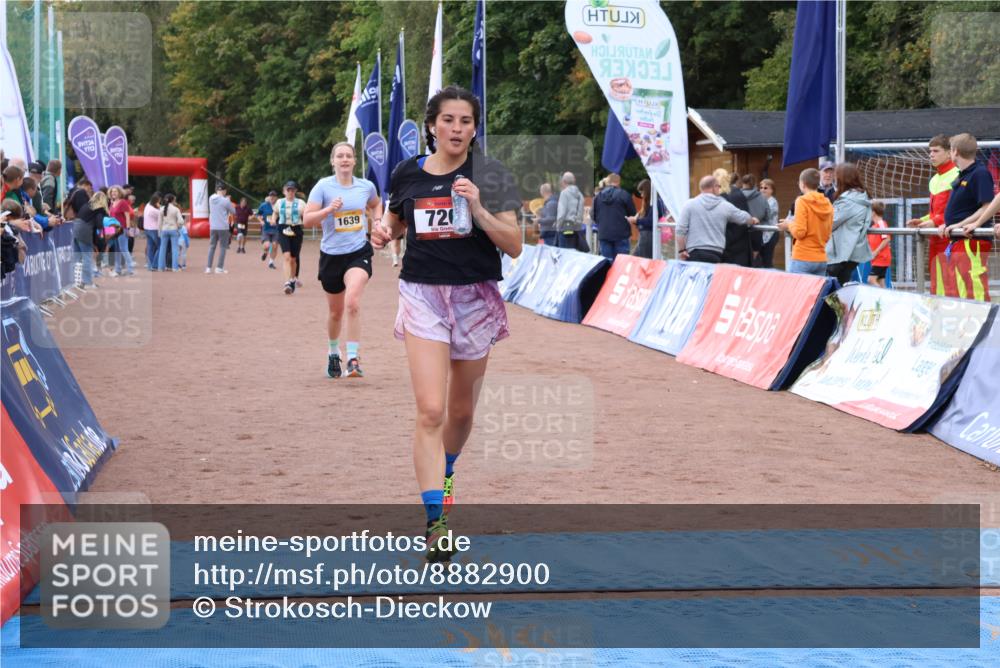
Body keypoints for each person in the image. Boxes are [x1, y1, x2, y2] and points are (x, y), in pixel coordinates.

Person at [369, 86, 522, 561]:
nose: (458, 129)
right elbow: (395, 223)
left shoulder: (490, 175)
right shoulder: (407, 172)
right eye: (449, 120)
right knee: (431, 409)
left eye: (466, 121)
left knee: (460, 413)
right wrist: (383, 232)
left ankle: (447, 467)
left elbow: (515, 244)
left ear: (475, 129)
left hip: (475, 296)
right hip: (423, 294)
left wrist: (477, 210)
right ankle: (436, 522)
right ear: (432, 124)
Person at [303, 142, 382, 378]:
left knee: (353, 302)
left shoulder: (365, 186)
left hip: (358, 252)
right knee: (336, 312)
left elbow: (377, 204)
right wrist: (328, 210)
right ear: (333, 161)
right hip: (331, 256)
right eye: (340, 156)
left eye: (348, 155)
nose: (345, 159)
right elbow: (307, 220)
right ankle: (333, 352)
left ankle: (354, 359)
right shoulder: (323, 187)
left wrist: (377, 222)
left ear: (355, 161)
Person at [939, 133, 995, 301]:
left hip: (972, 240)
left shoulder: (980, 173)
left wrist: (959, 225)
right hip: (959, 239)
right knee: (961, 286)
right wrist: (946, 224)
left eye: (949, 150)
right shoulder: (962, 174)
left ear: (955, 151)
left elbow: (986, 207)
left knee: (974, 285)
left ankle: (983, 324)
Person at [905, 135, 958, 285]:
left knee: (951, 284)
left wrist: (933, 221)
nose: (931, 155)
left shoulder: (957, 175)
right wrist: (922, 220)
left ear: (949, 153)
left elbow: (956, 211)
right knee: (936, 283)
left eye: (936, 151)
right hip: (935, 238)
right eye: (930, 151)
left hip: (951, 237)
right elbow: (937, 212)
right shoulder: (934, 179)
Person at [676, 175, 757, 263]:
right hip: (715, 254)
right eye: (718, 186)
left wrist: (682, 250)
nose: (719, 189)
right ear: (714, 187)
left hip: (694, 253)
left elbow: (680, 230)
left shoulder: (689, 204)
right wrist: (752, 219)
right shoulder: (724, 205)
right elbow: (744, 218)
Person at [777, 168, 833, 276]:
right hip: (821, 258)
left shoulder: (802, 201)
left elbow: (799, 232)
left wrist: (789, 224)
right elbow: (828, 233)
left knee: (795, 292)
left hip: (802, 257)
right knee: (817, 293)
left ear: (803, 184)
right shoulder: (827, 202)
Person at [825, 163, 873, 285]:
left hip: (840, 253)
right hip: (852, 251)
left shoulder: (848, 201)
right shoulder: (862, 197)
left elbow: (831, 222)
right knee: (839, 290)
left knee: (829, 291)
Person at [592, 173, 636, 260]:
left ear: (608, 182)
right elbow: (632, 213)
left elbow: (593, 214)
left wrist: (601, 223)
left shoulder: (598, 196)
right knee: (621, 263)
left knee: (606, 262)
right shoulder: (624, 195)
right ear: (618, 182)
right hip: (621, 234)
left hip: (604, 233)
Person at [714, 168, 753, 267]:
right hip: (737, 246)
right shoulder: (736, 194)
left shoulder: (716, 196)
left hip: (724, 246)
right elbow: (744, 219)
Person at [272, 181, 306, 293]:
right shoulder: (279, 202)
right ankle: (287, 282)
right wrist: (273, 219)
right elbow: (275, 212)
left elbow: (306, 215)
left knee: (293, 258)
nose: (290, 192)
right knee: (286, 256)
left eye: (292, 190)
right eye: (288, 190)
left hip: (296, 230)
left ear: (295, 191)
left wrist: (307, 221)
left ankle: (292, 279)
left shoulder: (301, 203)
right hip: (283, 229)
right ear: (284, 191)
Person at [72, 190, 110, 288]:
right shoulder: (99, 209)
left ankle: (73, 281)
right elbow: (99, 224)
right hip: (84, 231)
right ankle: (87, 282)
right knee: (87, 257)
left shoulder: (87, 205)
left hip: (76, 228)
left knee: (76, 257)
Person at [739, 174, 771, 268]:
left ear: (742, 183)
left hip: (741, 232)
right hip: (757, 231)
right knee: (755, 261)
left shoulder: (737, 196)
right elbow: (767, 215)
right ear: (755, 184)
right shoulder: (762, 198)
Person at [206, 183, 235, 274]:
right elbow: (233, 211)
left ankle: (208, 268)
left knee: (212, 247)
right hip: (223, 227)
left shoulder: (210, 198)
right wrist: (228, 200)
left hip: (213, 226)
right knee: (223, 247)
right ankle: (219, 268)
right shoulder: (225, 201)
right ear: (224, 191)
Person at [108, 185, 136, 276]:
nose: (113, 193)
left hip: (122, 229)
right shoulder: (112, 203)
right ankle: (118, 269)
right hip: (113, 230)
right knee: (117, 250)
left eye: (115, 191)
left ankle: (130, 269)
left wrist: (127, 229)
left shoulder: (123, 202)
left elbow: (127, 216)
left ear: (119, 192)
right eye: (112, 191)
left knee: (124, 249)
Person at [555, 171, 587, 252]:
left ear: (563, 182)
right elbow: (580, 212)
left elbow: (561, 213)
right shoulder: (580, 194)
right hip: (576, 228)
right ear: (574, 181)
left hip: (565, 227)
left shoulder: (564, 193)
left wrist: (558, 226)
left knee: (564, 255)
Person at [755, 178, 780, 268]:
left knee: (767, 261)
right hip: (762, 234)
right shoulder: (760, 201)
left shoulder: (773, 202)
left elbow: (766, 215)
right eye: (761, 188)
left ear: (772, 190)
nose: (762, 190)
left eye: (766, 188)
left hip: (771, 234)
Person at [867, 200, 892, 287]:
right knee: (881, 282)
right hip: (877, 259)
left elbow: (887, 239)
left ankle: (882, 297)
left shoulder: (881, 224)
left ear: (873, 212)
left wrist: (876, 252)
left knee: (871, 279)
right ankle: (885, 299)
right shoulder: (873, 226)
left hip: (881, 258)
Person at [628, 179, 654, 258]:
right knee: (635, 258)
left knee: (642, 259)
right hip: (644, 235)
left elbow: (651, 221)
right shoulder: (648, 203)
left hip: (647, 235)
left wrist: (636, 220)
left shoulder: (654, 203)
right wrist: (636, 221)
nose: (641, 195)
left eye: (642, 193)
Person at [158, 194, 183, 272]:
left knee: (162, 249)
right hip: (173, 229)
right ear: (172, 200)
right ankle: (175, 268)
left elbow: (159, 222)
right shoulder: (176, 209)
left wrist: (159, 232)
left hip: (164, 230)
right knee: (175, 249)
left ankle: (160, 267)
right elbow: (181, 221)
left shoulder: (161, 209)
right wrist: (178, 227)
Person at [258, 190, 279, 269]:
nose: (272, 197)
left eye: (274, 196)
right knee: (267, 245)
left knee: (274, 245)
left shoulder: (279, 205)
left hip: (276, 229)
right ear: (269, 197)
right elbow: (258, 214)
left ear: (276, 197)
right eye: (271, 196)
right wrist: (261, 221)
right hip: (266, 229)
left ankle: (271, 262)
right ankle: (265, 252)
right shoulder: (263, 205)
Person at [143, 193, 162, 270]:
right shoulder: (154, 210)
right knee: (160, 246)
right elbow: (162, 215)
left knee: (150, 247)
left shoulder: (147, 205)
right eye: (159, 201)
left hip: (147, 228)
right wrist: (159, 207)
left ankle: (150, 265)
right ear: (156, 202)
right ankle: (155, 264)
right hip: (154, 229)